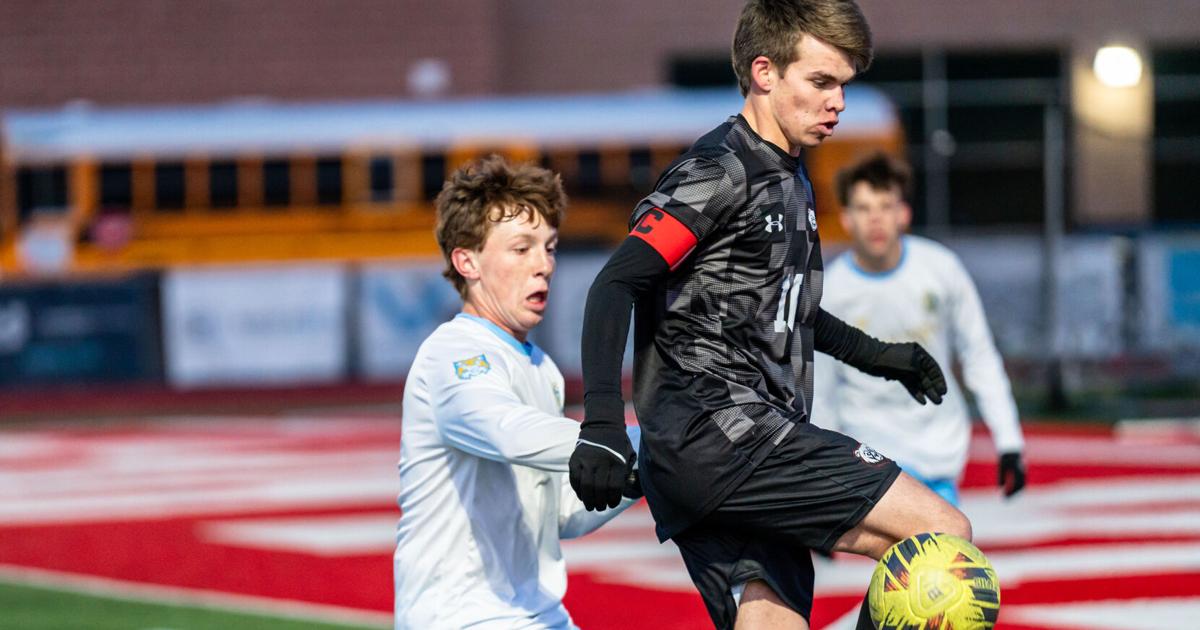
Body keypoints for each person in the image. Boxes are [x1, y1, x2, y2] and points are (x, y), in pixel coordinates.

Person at [568, 1, 975, 628]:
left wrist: (881, 357)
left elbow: (787, 311)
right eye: (820, 81)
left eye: (844, 84)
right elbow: (617, 282)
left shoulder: (789, 175)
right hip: (727, 436)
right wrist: (601, 421)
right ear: (764, 72)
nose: (837, 101)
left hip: (717, 451)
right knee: (943, 538)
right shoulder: (721, 170)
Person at [394, 155, 641, 629]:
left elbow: (561, 514)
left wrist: (652, 450)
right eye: (521, 248)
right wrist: (621, 441)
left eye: (549, 248)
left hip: (538, 614)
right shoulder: (452, 354)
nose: (543, 265)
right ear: (466, 261)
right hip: (460, 619)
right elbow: (508, 431)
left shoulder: (540, 366)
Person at [812, 152, 1026, 505]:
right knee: (910, 554)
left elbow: (979, 355)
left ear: (904, 214)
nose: (876, 219)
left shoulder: (942, 270)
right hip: (870, 452)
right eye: (864, 209)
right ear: (847, 219)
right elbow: (821, 387)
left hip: (938, 449)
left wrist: (1009, 440)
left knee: (943, 552)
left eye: (886, 206)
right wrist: (823, 481)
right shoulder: (831, 292)